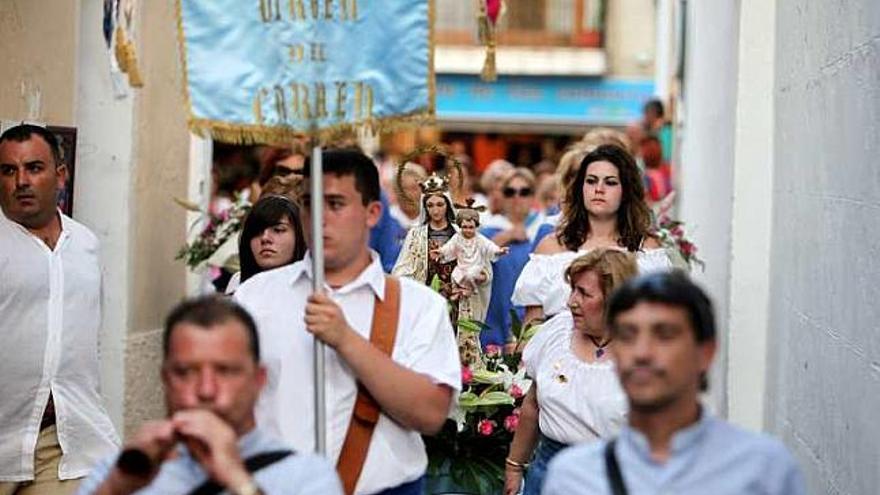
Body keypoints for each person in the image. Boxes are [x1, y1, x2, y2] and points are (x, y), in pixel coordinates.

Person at [234, 149, 461, 495]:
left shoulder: (419, 306)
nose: (319, 218)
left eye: (336, 204)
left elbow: (430, 415)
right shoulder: (255, 297)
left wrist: (346, 340)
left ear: (372, 213)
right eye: (310, 204)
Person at [543, 272, 807, 494]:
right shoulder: (573, 477)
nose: (642, 352)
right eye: (627, 335)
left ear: (705, 352)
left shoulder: (763, 469)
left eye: (665, 335)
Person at [76, 296, 342, 495]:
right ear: (166, 379)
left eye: (225, 371)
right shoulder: (119, 472)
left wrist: (239, 481)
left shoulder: (305, 476)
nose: (205, 390)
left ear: (258, 380)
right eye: (185, 372)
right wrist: (114, 487)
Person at [0, 124, 119, 495]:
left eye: (34, 168)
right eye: (8, 170)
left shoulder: (86, 245)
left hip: (64, 442)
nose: (21, 181)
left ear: (60, 175)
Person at [504, 249, 636, 495]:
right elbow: (533, 405)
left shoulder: (642, 355)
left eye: (584, 293)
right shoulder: (557, 332)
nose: (571, 301)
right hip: (548, 472)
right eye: (573, 289)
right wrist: (514, 467)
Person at [513, 144, 683, 327]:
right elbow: (531, 330)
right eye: (591, 181)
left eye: (610, 182)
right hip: (558, 352)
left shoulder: (647, 248)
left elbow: (660, 317)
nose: (599, 189)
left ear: (626, 190)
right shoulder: (551, 247)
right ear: (581, 187)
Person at [480, 168, 539, 347]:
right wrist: (505, 237)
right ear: (502, 196)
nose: (517, 197)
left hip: (533, 320)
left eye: (524, 192)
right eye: (510, 192)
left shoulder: (543, 231)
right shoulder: (488, 231)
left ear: (533, 197)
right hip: (495, 322)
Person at [225, 193, 307, 294]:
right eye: (256, 232)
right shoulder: (238, 284)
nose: (265, 238)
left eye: (278, 230)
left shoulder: (314, 287)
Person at [431, 202, 508, 299]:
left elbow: (489, 246)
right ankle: (457, 290)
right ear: (460, 226)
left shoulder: (479, 239)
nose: (467, 230)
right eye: (465, 227)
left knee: (470, 275)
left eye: (471, 227)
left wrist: (498, 251)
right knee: (455, 274)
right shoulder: (457, 237)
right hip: (462, 266)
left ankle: (471, 290)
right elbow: (449, 247)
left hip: (476, 265)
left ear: (476, 226)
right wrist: (440, 251)